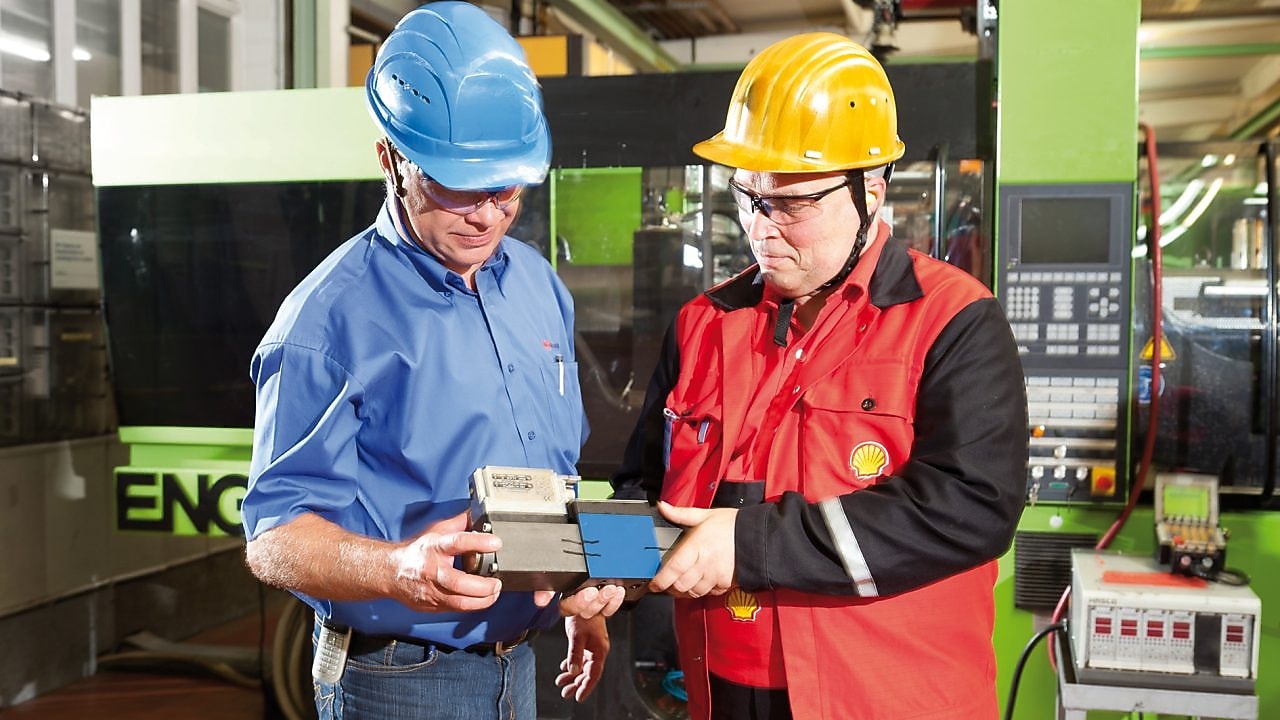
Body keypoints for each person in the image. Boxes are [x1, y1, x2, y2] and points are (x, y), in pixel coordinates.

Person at [612, 32, 1028, 720]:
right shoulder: (701, 324)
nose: (762, 230)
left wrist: (749, 543)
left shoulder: (954, 321)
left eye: (794, 204)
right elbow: (645, 487)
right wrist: (608, 568)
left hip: (886, 698)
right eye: (748, 197)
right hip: (721, 691)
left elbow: (971, 508)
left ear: (873, 187)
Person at [240, 4, 623, 719]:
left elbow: (553, 477)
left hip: (522, 664)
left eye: (506, 186)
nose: (486, 213)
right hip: (399, 681)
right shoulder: (324, 322)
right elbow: (273, 540)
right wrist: (395, 568)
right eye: (455, 184)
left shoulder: (538, 285)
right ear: (389, 158)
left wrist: (574, 592)